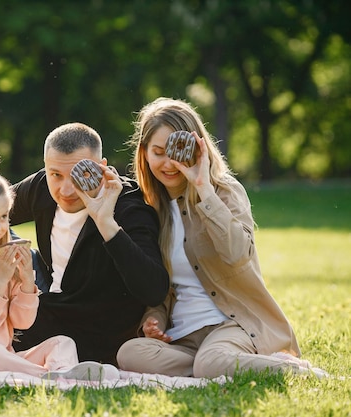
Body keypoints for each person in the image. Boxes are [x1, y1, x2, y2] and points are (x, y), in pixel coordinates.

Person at [117, 97, 326, 378]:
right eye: (157, 152)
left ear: (196, 148)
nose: (168, 164)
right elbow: (163, 284)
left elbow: (238, 254)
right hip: (184, 339)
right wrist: (154, 317)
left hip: (231, 325)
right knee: (129, 353)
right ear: (144, 153)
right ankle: (214, 365)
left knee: (211, 361)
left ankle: (291, 370)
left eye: (177, 152)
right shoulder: (153, 208)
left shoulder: (224, 191)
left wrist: (203, 187)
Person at [0, 151, 117, 380]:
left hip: (6, 356)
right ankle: (56, 377)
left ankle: (61, 374)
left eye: (3, 217)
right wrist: (1, 280)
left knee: (63, 342)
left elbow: (23, 322)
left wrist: (27, 283)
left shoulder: (3, 261)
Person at [9, 122, 170, 366]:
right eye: (56, 175)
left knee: (0, 323)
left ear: (102, 167)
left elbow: (154, 289)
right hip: (53, 299)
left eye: (79, 175)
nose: (65, 189)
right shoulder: (42, 187)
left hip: (98, 330)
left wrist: (105, 221)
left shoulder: (128, 207)